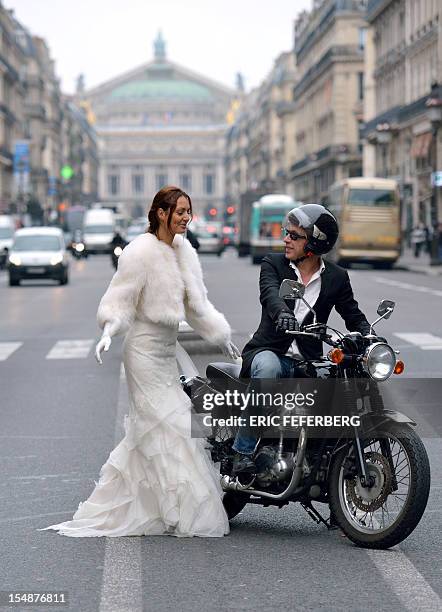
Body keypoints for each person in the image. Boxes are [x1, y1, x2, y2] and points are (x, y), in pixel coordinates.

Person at [42, 186, 240, 537]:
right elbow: (120, 299)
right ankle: (176, 508)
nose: (185, 217)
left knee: (161, 430)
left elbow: (198, 305)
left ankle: (160, 504)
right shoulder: (139, 252)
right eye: (179, 211)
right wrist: (109, 330)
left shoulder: (185, 251)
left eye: (188, 211)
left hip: (167, 352)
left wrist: (222, 337)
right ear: (161, 213)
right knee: (171, 425)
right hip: (143, 352)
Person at [231, 204, 371, 474]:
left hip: (308, 360)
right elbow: (270, 294)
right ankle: (243, 451)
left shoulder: (336, 278)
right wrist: (283, 313)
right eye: (287, 233)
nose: (286, 239)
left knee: (344, 380)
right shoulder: (273, 264)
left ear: (315, 242)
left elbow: (353, 315)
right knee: (268, 368)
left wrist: (370, 335)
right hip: (269, 351)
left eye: (294, 235)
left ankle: (325, 461)